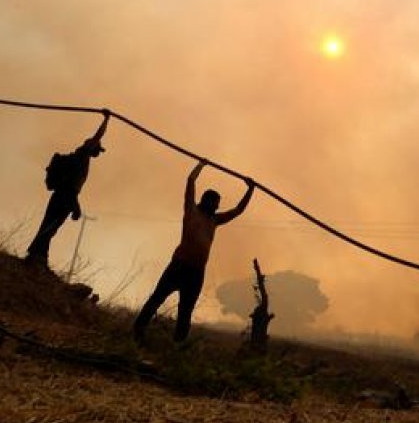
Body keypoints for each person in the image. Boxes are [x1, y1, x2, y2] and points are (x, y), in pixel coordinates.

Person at [134, 160, 255, 343]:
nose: (216, 207)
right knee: (157, 298)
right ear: (206, 201)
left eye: (217, 205)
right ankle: (137, 331)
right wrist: (201, 165)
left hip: (196, 272)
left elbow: (238, 210)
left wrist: (250, 189)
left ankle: (177, 345)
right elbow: (190, 181)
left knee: (186, 310)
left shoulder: (214, 220)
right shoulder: (191, 210)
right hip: (179, 265)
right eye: (215, 203)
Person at [25, 110, 110, 269]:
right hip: (65, 196)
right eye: (97, 148)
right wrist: (107, 119)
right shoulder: (82, 156)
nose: (98, 152)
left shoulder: (80, 157)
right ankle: (35, 256)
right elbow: (98, 135)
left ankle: (39, 256)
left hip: (63, 196)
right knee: (50, 227)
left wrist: (75, 206)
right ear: (91, 147)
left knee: (50, 226)